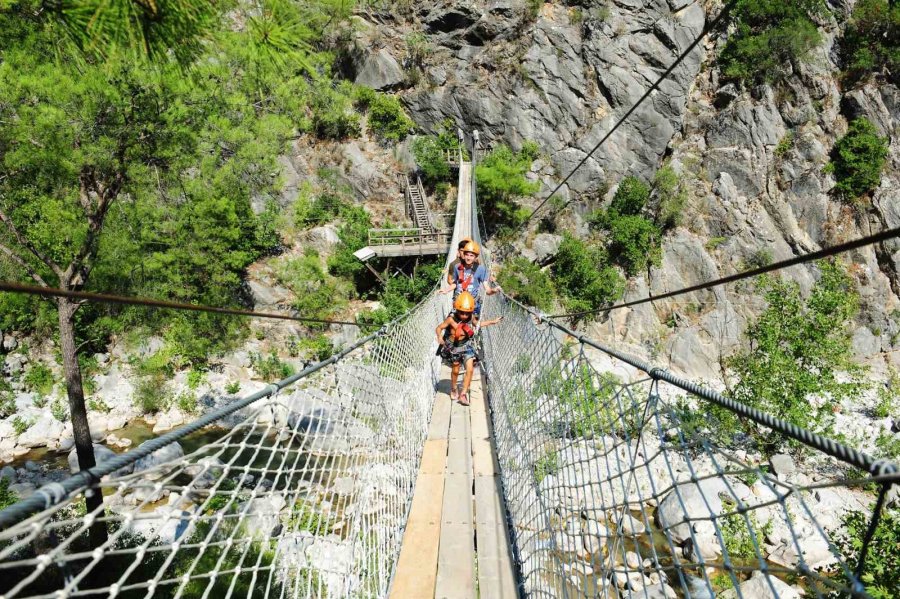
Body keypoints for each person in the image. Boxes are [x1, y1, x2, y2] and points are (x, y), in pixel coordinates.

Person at [435, 292, 502, 406]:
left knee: (470, 370)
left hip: (467, 346)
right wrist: (440, 336)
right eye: (462, 313)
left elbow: (478, 324)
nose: (465, 316)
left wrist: (492, 321)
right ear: (456, 310)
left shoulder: (470, 318)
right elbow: (439, 327)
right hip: (454, 347)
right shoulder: (451, 319)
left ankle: (463, 394)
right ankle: (454, 388)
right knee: (455, 370)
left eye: (467, 313)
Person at [440, 239, 499, 319]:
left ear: (476, 257)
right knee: (452, 324)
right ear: (463, 255)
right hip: (459, 301)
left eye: (471, 256)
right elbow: (455, 283)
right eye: (467, 255)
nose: (468, 258)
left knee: (474, 324)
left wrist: (493, 291)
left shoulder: (481, 269)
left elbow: (487, 290)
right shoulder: (457, 267)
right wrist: (446, 290)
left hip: (472, 302)